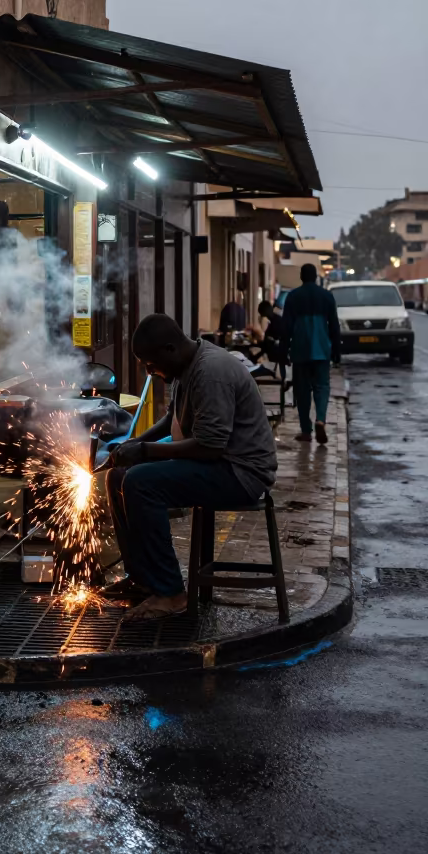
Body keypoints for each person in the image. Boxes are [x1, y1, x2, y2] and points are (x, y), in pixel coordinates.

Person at [102, 313, 278, 619]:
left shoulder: (210, 372)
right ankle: (144, 579)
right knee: (118, 477)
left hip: (240, 473)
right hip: (219, 463)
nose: (149, 370)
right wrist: (133, 444)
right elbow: (173, 419)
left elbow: (210, 447)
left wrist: (144, 451)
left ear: (169, 349)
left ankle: (171, 593)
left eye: (150, 363)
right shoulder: (186, 367)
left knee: (140, 482)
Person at [280, 264, 341, 444]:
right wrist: (337, 351)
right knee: (322, 386)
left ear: (301, 276)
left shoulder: (293, 297)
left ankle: (306, 431)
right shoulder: (327, 297)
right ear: (315, 277)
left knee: (302, 390)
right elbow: (334, 326)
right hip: (322, 350)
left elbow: (286, 328)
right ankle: (320, 419)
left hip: (300, 350)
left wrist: (283, 352)